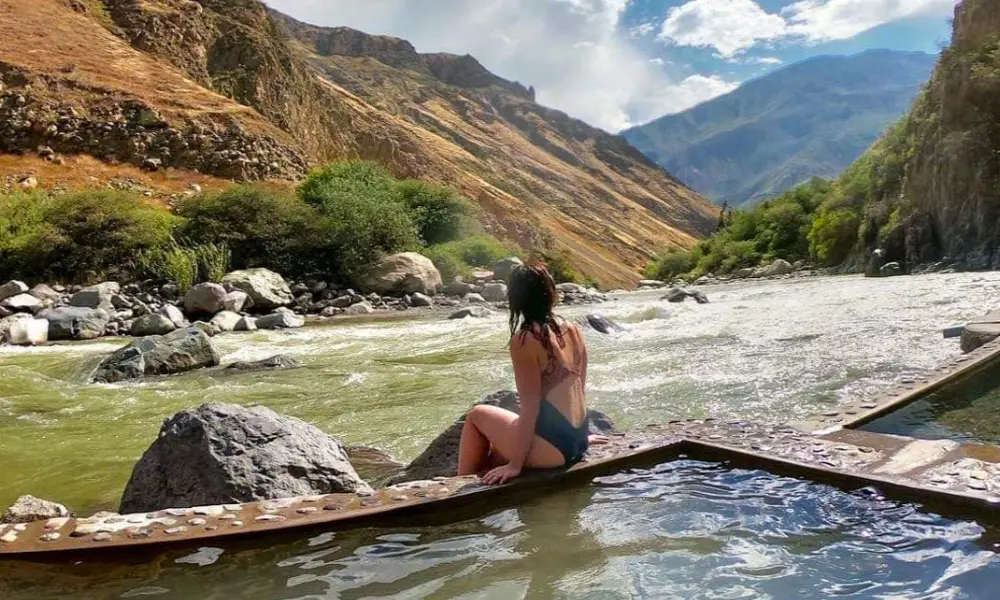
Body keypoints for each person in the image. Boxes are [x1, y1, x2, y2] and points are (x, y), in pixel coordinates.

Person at [457, 261, 599, 485]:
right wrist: (582, 437)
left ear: (517, 298)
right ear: (549, 292)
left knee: (476, 415)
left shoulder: (525, 340)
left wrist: (515, 465)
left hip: (553, 452)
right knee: (500, 442)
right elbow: (579, 389)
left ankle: (462, 486)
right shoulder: (573, 329)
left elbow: (530, 406)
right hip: (578, 441)